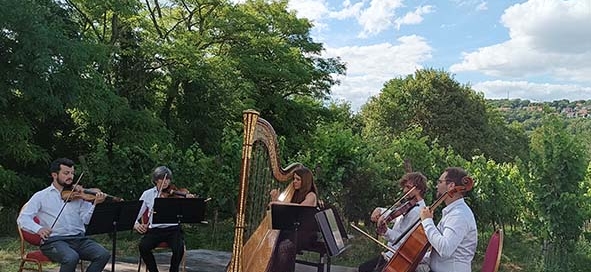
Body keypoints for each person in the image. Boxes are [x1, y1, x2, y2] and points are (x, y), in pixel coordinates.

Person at [17, 157, 111, 272]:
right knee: (71, 258)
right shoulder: (41, 196)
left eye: (72, 173)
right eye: (66, 173)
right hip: (54, 241)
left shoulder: (78, 195)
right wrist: (39, 229)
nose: (70, 176)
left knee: (103, 254)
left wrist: (95, 205)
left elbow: (87, 220)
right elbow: (23, 218)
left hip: (79, 239)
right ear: (54, 175)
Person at [358, 172, 428, 272]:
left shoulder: (418, 212)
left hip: (398, 259)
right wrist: (380, 210)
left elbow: (404, 241)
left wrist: (386, 231)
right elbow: (395, 214)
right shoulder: (411, 206)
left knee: (364, 269)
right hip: (391, 255)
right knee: (363, 268)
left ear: (419, 189)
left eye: (408, 187)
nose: (405, 190)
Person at [134, 166, 195, 272]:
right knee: (143, 246)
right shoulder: (147, 194)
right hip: (155, 230)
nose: (165, 182)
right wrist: (136, 225)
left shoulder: (175, 193)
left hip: (173, 229)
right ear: (155, 180)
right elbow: (135, 214)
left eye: (167, 179)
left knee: (179, 247)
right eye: (161, 179)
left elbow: (188, 211)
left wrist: (190, 201)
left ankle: (173, 270)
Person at [418, 167, 477, 272]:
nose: (437, 186)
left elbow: (445, 249)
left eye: (440, 182)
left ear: (451, 186)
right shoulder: (453, 212)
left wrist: (427, 221)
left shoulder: (459, 215)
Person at [269, 167, 318, 272]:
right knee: (272, 242)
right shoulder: (294, 193)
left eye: (298, 179)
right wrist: (275, 200)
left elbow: (298, 209)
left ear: (305, 181)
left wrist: (278, 203)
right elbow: (286, 212)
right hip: (292, 231)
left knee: (284, 247)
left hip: (305, 233)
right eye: (294, 179)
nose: (294, 181)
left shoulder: (311, 195)